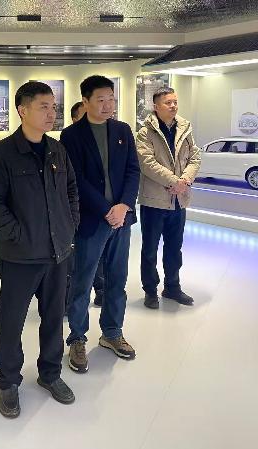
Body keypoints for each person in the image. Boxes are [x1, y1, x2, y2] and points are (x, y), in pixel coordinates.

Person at [0, 81, 79, 419]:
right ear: (22, 110)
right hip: (20, 257)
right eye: (43, 107)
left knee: (53, 318)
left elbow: (71, 190)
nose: (51, 113)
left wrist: (69, 225)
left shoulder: (57, 150)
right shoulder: (3, 154)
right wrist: (18, 233)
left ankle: (50, 373)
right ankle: (8, 381)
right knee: (12, 322)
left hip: (57, 253)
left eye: (53, 107)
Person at [61, 75, 140, 374]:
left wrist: (123, 206)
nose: (108, 105)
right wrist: (107, 209)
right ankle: (77, 338)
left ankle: (112, 332)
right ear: (86, 101)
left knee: (117, 279)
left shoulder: (122, 130)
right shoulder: (71, 135)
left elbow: (133, 170)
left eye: (111, 99)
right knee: (82, 281)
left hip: (121, 219)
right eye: (101, 100)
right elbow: (76, 180)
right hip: (92, 220)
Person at [136, 87, 201, 309]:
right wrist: (175, 181)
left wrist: (185, 180)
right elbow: (147, 163)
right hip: (154, 200)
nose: (173, 106)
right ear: (156, 106)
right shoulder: (145, 132)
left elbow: (195, 157)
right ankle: (150, 290)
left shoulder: (185, 128)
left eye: (175, 102)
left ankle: (172, 287)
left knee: (174, 247)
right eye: (168, 102)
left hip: (179, 200)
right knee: (150, 250)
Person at [70, 101, 105, 307]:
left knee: (97, 255)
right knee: (75, 256)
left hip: (100, 210)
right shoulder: (68, 141)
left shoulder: (103, 141)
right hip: (76, 209)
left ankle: (100, 289)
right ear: (75, 119)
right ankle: (70, 298)